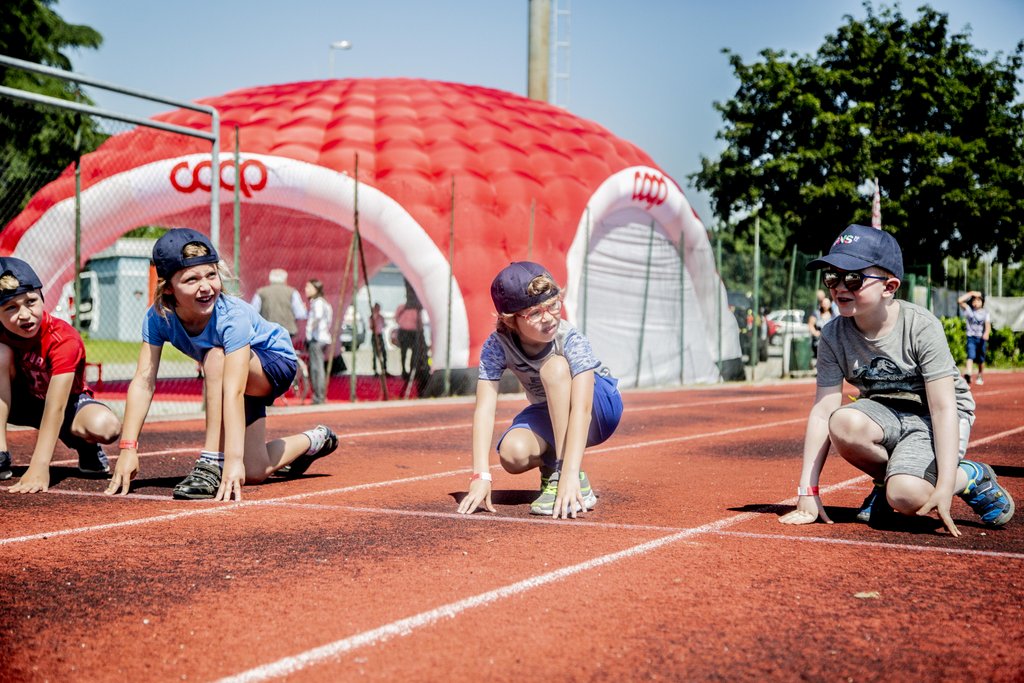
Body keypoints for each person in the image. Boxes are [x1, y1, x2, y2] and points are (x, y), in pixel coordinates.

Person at [779, 224, 1013, 536]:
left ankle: (968, 476)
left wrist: (945, 486)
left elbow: (944, 409)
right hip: (885, 413)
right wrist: (807, 492)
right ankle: (890, 478)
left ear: (889, 287)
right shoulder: (833, 334)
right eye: (832, 276)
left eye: (853, 277)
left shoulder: (921, 326)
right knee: (843, 422)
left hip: (935, 416)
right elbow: (823, 411)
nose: (839, 286)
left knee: (907, 498)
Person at [105, 229, 338, 501]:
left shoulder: (232, 316)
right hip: (231, 371)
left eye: (211, 275)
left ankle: (210, 462)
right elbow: (144, 381)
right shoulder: (158, 317)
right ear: (168, 288)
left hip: (274, 362)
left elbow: (234, 391)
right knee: (254, 470)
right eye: (192, 279)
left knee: (215, 357)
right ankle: (316, 439)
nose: (206, 287)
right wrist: (128, 448)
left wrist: (230, 459)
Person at [457, 261, 623, 519]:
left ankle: (567, 473)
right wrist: (481, 476)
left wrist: (569, 471)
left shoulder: (569, 339)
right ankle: (552, 467)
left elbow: (582, 409)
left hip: (600, 405)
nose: (548, 318)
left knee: (553, 368)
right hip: (551, 409)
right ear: (510, 320)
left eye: (553, 304)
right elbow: (484, 409)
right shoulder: (496, 346)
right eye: (534, 313)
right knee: (513, 454)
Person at [0, 257, 122, 492]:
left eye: (31, 302)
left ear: (42, 298)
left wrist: (39, 465)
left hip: (65, 406)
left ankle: (86, 446)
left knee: (106, 426)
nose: (25, 314)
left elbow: (55, 407)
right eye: (11, 307)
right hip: (21, 401)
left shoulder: (63, 339)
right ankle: (1, 454)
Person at [250, 268, 306, 345]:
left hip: (267, 330)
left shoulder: (261, 292)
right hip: (287, 330)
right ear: (285, 279)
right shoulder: (292, 292)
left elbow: (253, 312)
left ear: (270, 279)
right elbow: (300, 314)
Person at [303, 278, 333, 405]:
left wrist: (310, 329)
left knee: (317, 368)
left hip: (317, 338)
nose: (306, 290)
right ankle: (319, 395)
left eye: (308, 287)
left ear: (316, 289)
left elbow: (318, 316)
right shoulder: (323, 302)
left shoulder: (318, 303)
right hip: (323, 337)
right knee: (317, 367)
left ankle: (319, 396)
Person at [958, 290, 991, 386]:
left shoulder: (985, 313)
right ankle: (968, 372)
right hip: (971, 337)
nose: (976, 303)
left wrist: (986, 333)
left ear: (982, 302)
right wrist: (971, 293)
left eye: (978, 300)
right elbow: (959, 301)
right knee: (970, 355)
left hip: (981, 338)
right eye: (974, 301)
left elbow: (987, 325)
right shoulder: (969, 310)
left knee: (981, 360)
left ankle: (980, 374)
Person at [394, 297, 424, 382]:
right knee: (403, 352)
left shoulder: (416, 309)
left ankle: (412, 370)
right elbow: (396, 318)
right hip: (404, 332)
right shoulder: (402, 307)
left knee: (414, 352)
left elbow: (420, 321)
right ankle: (403, 370)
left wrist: (420, 331)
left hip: (413, 332)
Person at [369, 302, 388, 376]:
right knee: (375, 353)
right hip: (374, 336)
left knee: (384, 353)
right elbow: (371, 327)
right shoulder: (372, 317)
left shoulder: (381, 317)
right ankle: (375, 370)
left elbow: (384, 325)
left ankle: (384, 369)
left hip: (380, 335)